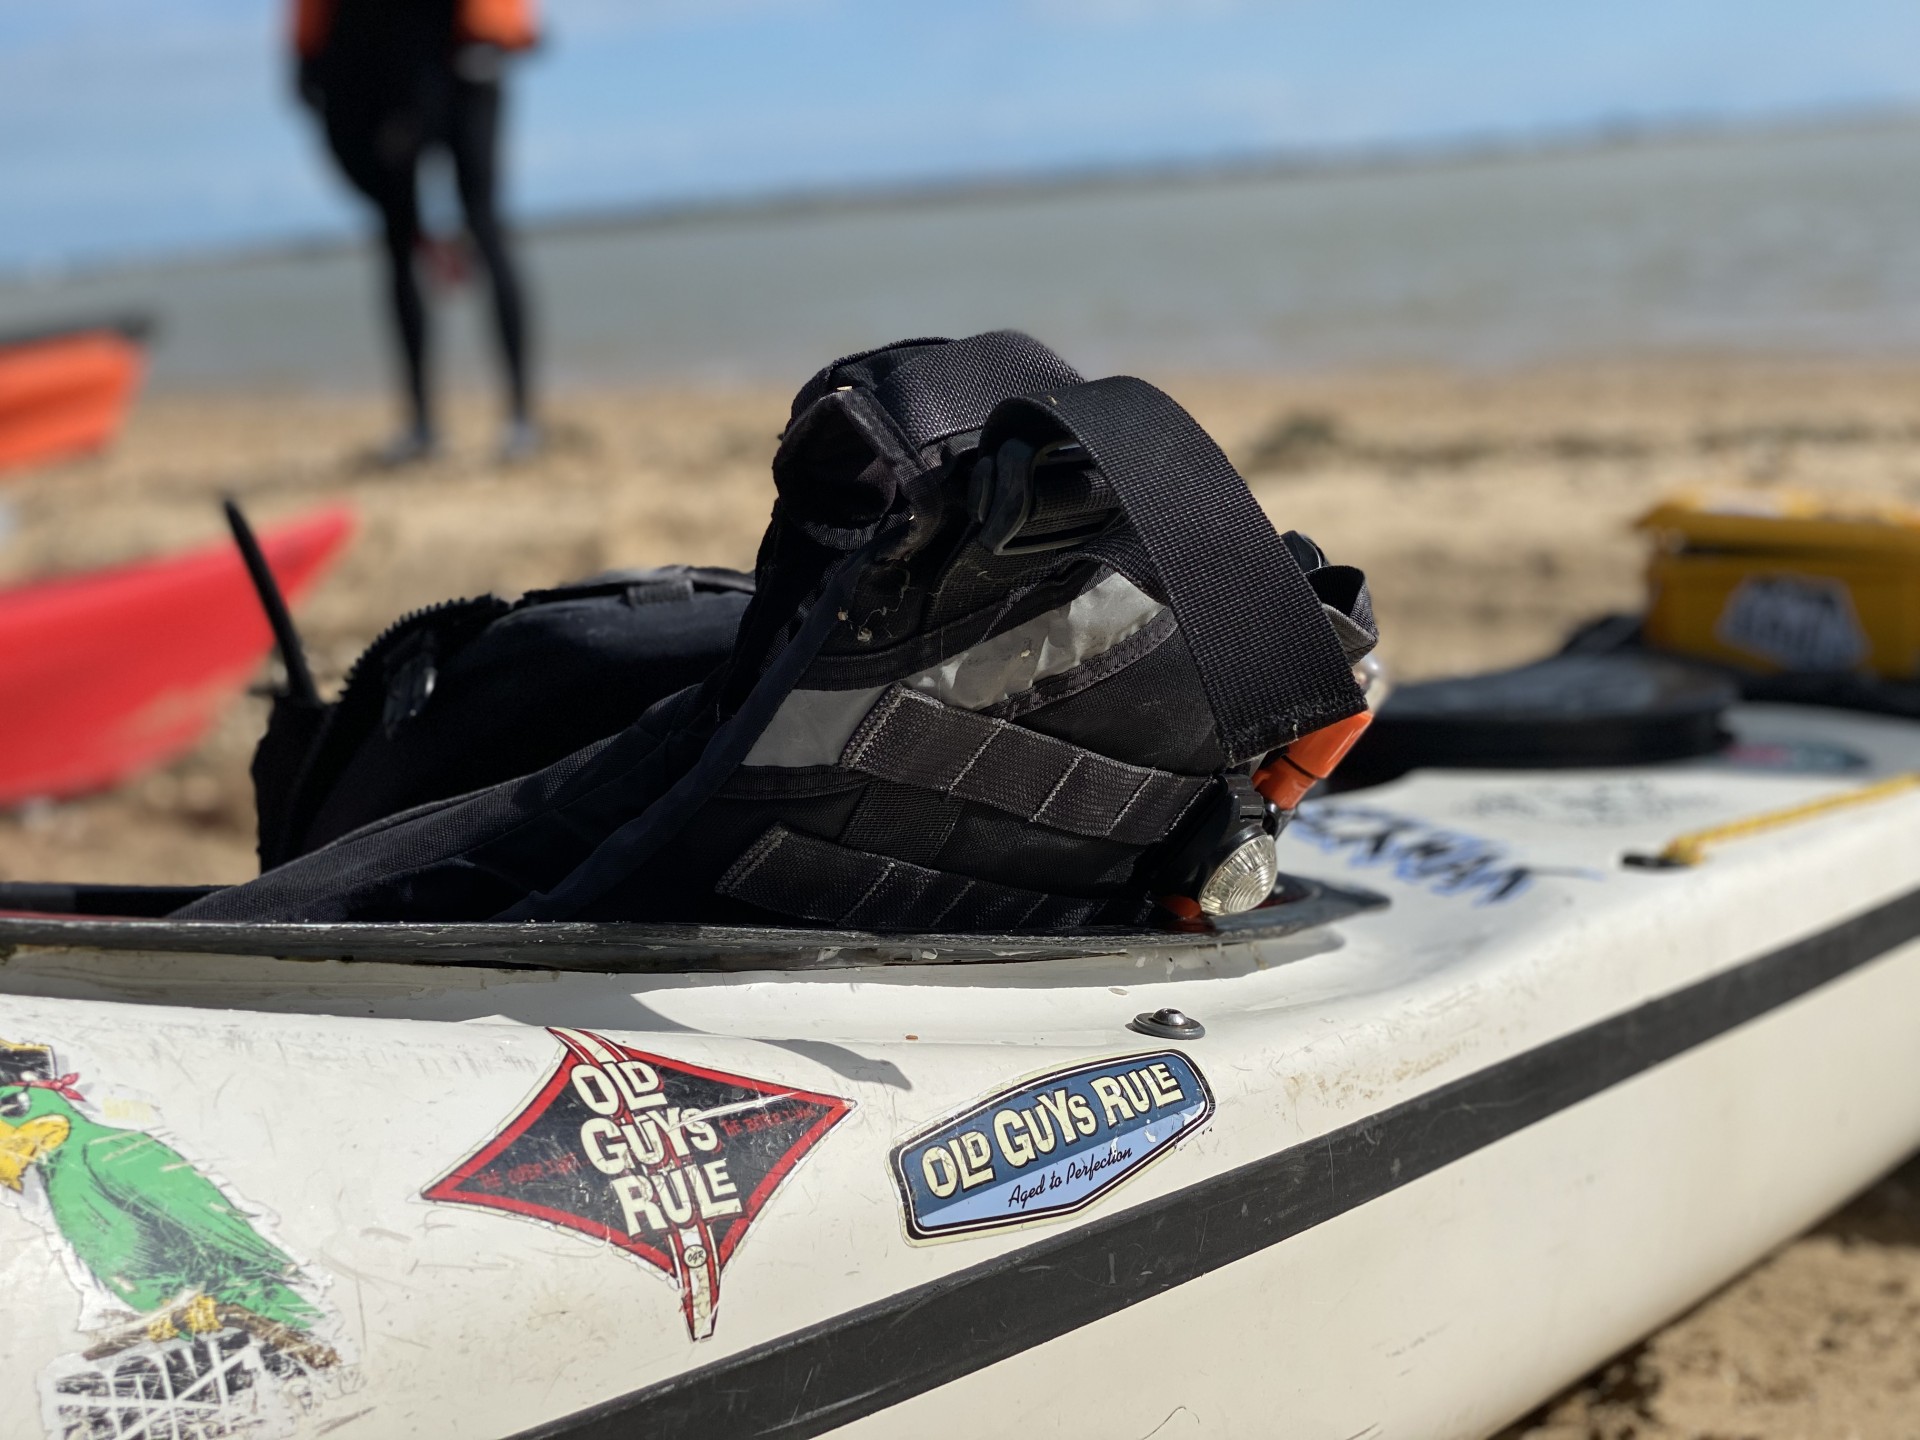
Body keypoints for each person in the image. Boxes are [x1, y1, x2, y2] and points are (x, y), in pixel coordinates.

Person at [292, 0, 539, 463]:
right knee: (402, 235)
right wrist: (309, 62)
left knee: (481, 225)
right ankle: (425, 426)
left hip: (466, 55)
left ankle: (520, 419)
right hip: (391, 66)